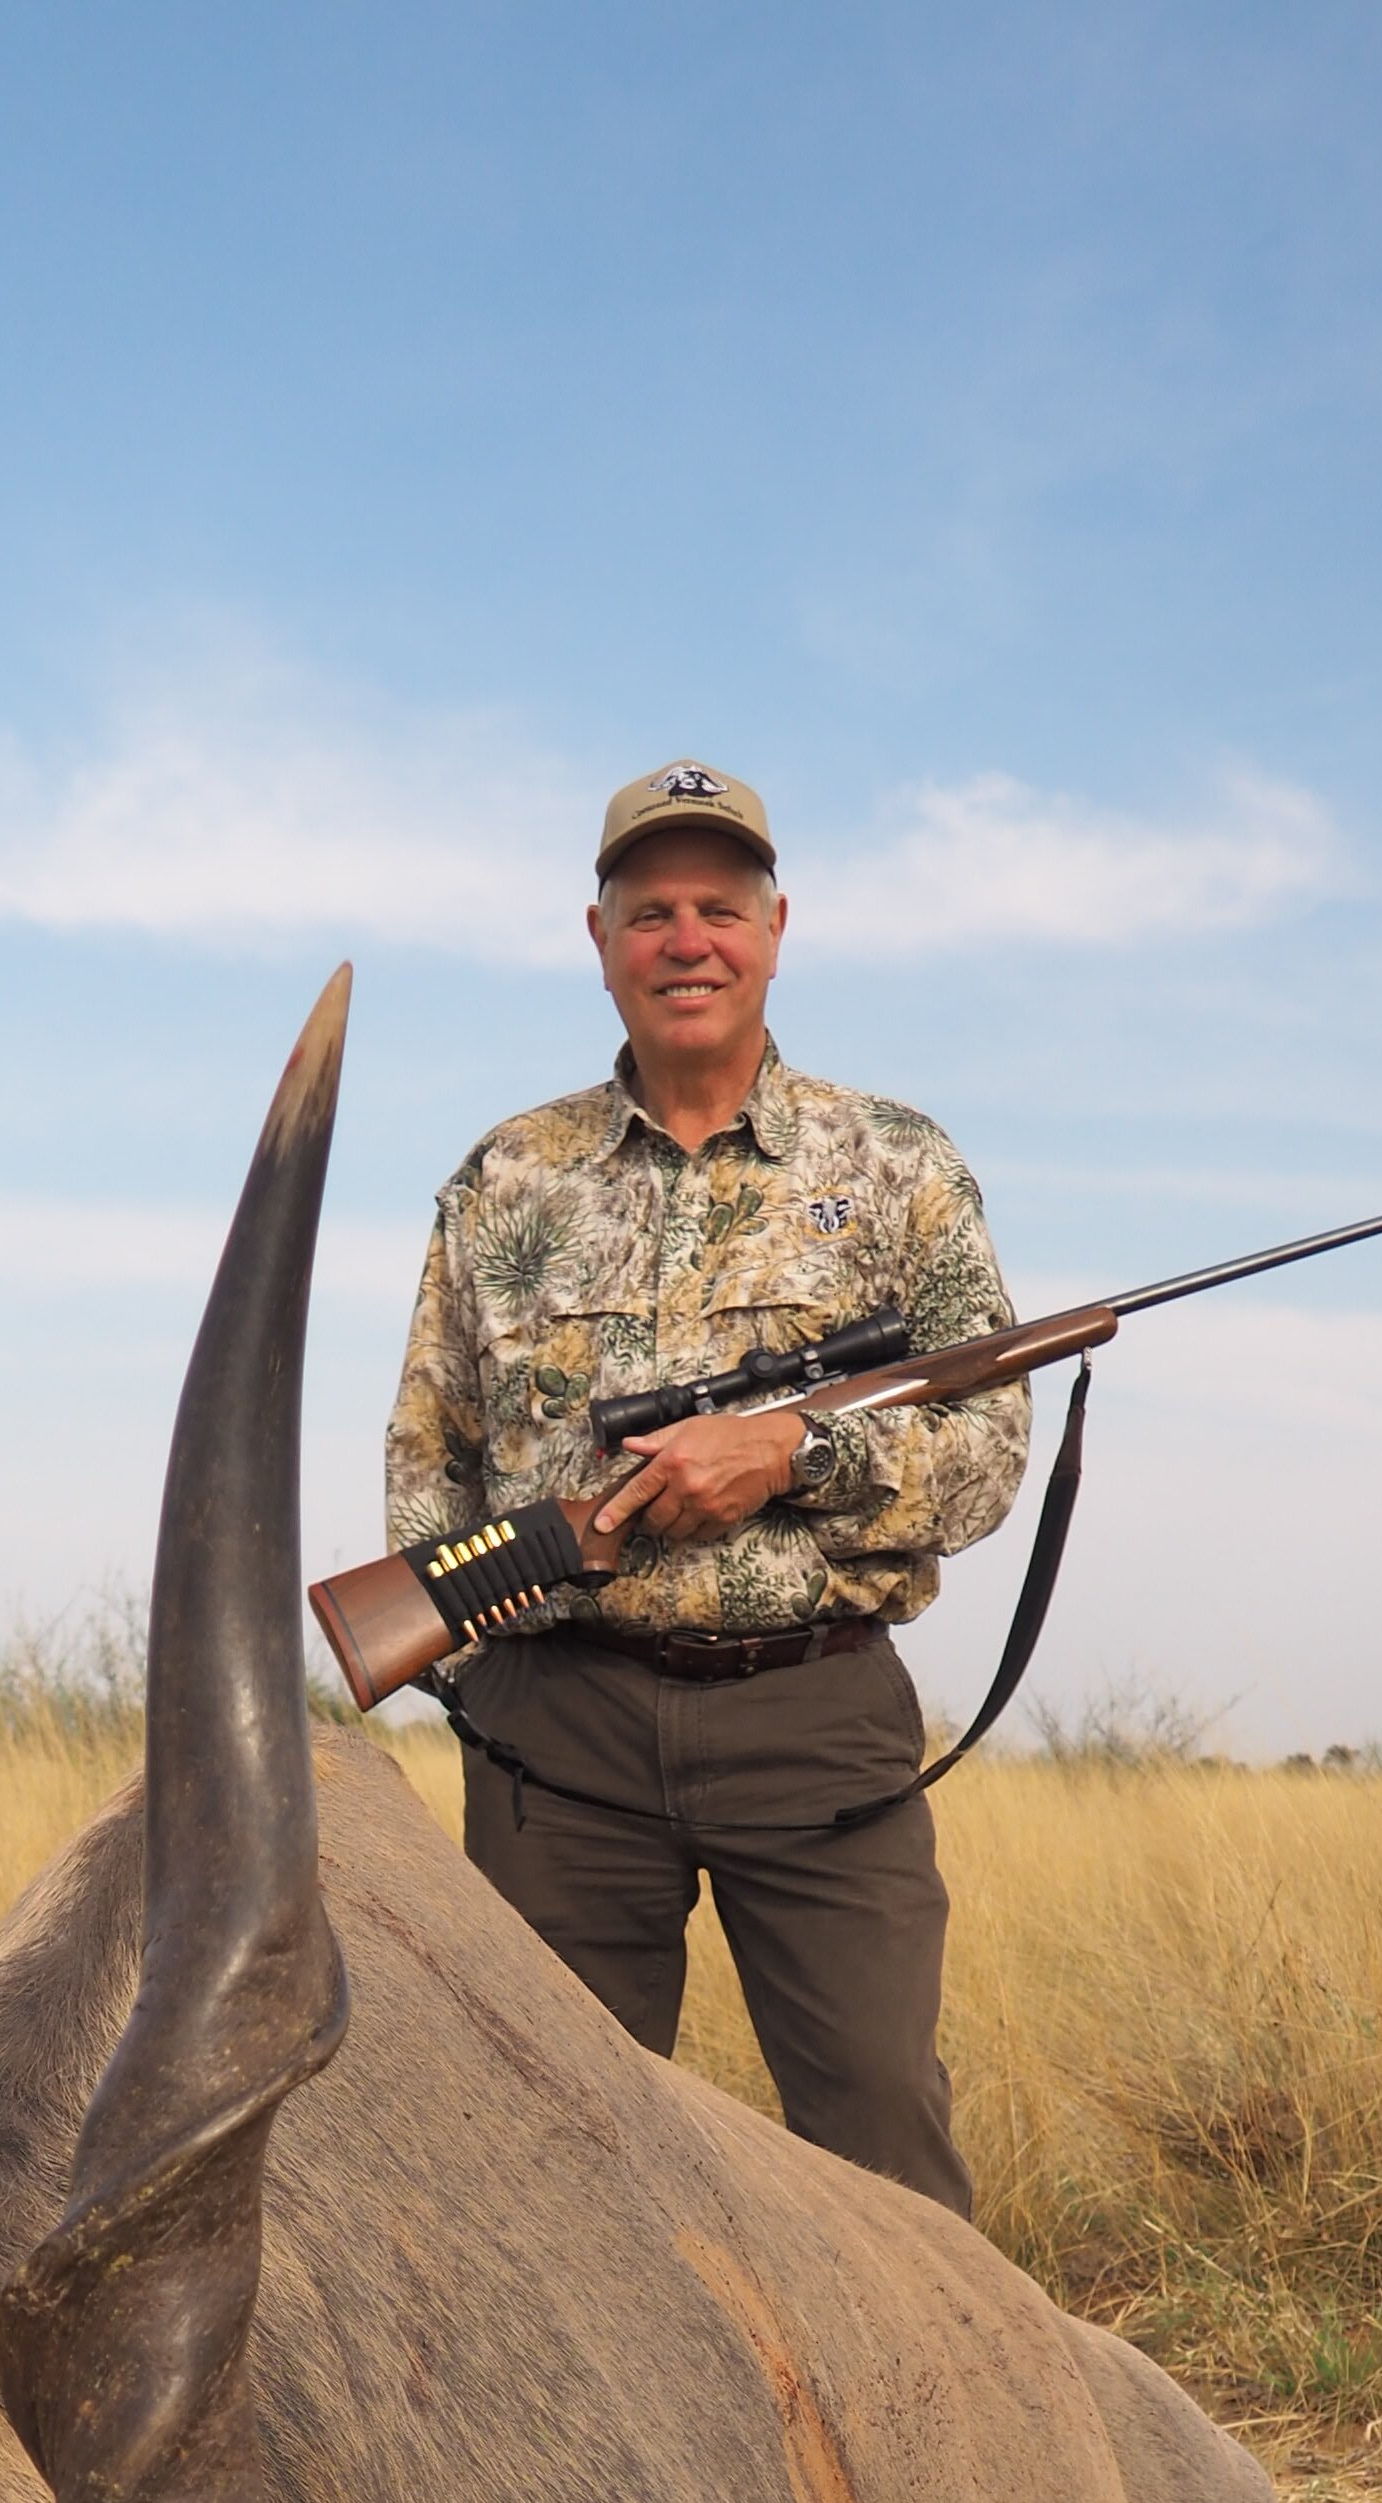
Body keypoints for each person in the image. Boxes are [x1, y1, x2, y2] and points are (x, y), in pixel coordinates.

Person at [383, 758, 1027, 2218]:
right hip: (561, 1739)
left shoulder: (899, 1166)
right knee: (544, 2168)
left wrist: (795, 1450)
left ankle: (923, 2449)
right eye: (653, 910)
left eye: (719, 909)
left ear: (776, 927)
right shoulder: (507, 1177)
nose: (690, 941)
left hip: (816, 1723)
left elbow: (987, 1462)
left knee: (883, 2145)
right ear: (599, 939)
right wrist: (503, 1673)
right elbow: (430, 1466)